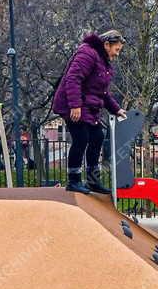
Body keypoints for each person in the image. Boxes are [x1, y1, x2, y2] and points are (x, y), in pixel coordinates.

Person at [52, 29, 126, 194]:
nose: (118, 54)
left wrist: (116, 109)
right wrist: (75, 105)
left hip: (89, 107)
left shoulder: (103, 62)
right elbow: (73, 78)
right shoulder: (88, 53)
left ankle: (93, 181)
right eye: (117, 50)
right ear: (107, 44)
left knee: (97, 137)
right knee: (81, 138)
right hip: (73, 104)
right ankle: (74, 180)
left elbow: (102, 92)